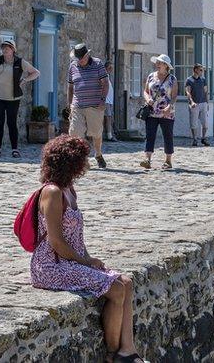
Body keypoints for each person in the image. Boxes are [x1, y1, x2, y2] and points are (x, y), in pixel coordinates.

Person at [30, 135, 144, 363]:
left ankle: (128, 349)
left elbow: (75, 238)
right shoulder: (51, 192)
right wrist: (86, 262)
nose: (86, 165)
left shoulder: (69, 189)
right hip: (51, 266)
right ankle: (114, 355)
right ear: (71, 162)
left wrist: (90, 258)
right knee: (116, 289)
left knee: (127, 282)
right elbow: (57, 242)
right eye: (83, 160)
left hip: (72, 260)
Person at [0, 40, 40, 159]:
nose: (5, 49)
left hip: (13, 98)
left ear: (13, 50)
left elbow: (36, 73)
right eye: (3, 47)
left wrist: (24, 80)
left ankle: (15, 150)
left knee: (12, 123)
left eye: (8, 47)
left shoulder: (20, 62)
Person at [67, 44, 110, 169]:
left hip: (95, 105)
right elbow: (70, 86)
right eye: (78, 58)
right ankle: (83, 160)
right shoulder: (73, 66)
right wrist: (69, 104)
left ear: (87, 55)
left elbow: (105, 83)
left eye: (82, 57)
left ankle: (98, 154)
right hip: (78, 105)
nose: (80, 60)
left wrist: (102, 100)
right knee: (75, 132)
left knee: (96, 132)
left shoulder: (97, 64)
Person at [141, 54, 177, 169]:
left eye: (159, 63)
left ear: (166, 66)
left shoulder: (172, 79)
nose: (157, 64)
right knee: (150, 135)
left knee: (168, 136)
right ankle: (147, 159)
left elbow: (174, 96)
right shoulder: (151, 76)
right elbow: (146, 91)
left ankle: (168, 160)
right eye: (157, 62)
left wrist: (169, 107)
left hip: (167, 113)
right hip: (152, 112)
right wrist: (148, 99)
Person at [185, 64, 210, 147]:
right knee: (194, 123)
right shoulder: (189, 80)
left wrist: (207, 102)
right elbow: (188, 92)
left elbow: (206, 91)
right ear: (195, 70)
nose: (202, 72)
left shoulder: (203, 80)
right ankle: (195, 139)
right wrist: (191, 102)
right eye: (200, 70)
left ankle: (204, 138)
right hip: (194, 104)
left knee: (205, 123)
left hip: (203, 103)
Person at [104, 63, 117, 142]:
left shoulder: (107, 76)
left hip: (109, 101)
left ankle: (110, 134)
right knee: (108, 117)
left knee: (109, 117)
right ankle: (109, 135)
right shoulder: (104, 76)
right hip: (105, 100)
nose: (111, 69)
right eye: (109, 68)